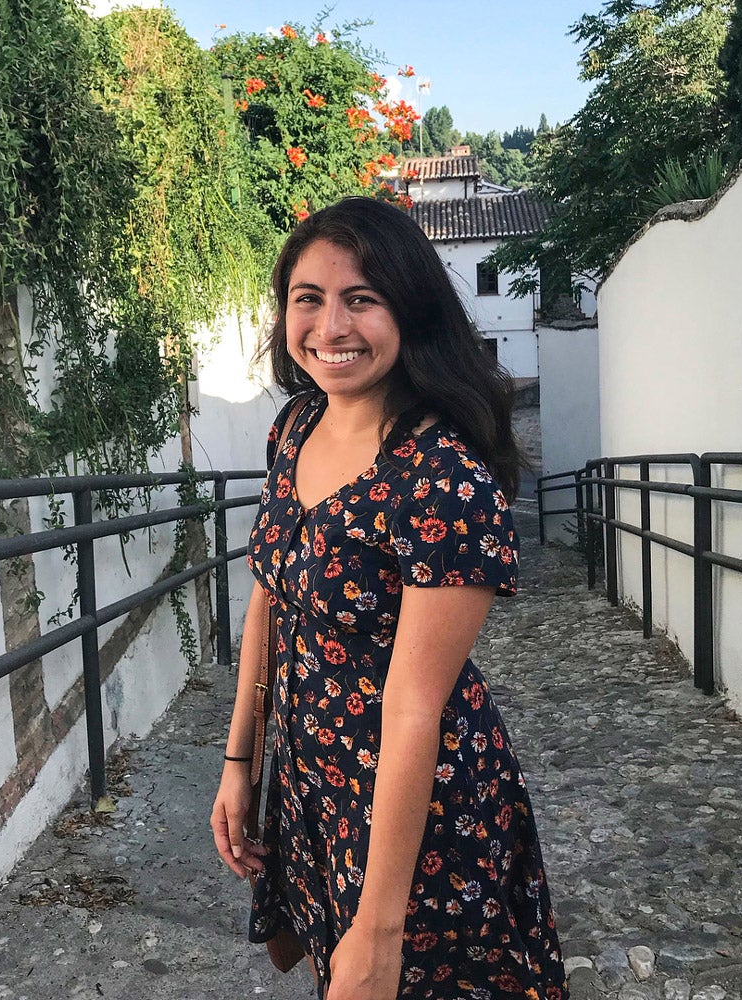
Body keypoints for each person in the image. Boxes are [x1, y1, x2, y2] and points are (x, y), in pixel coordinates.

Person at [210, 197, 567, 1000]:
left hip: (418, 815)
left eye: (361, 299)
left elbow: (413, 708)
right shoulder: (297, 426)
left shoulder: (443, 478)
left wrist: (379, 928)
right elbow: (270, 598)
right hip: (312, 780)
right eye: (308, 298)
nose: (330, 327)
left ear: (410, 309)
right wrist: (241, 766)